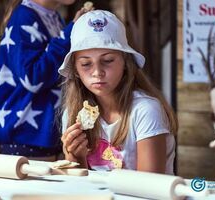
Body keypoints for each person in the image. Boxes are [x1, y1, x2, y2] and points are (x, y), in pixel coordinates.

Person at [59, 10, 178, 174]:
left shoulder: (145, 110)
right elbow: (78, 188)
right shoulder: (72, 114)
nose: (97, 72)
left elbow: (150, 186)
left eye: (107, 60)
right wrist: (75, 158)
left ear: (126, 62)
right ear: (76, 70)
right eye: (86, 64)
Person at [0, 0, 90, 160]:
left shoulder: (54, 17)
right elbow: (32, 77)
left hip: (47, 137)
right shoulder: (23, 17)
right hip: (26, 140)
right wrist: (69, 32)